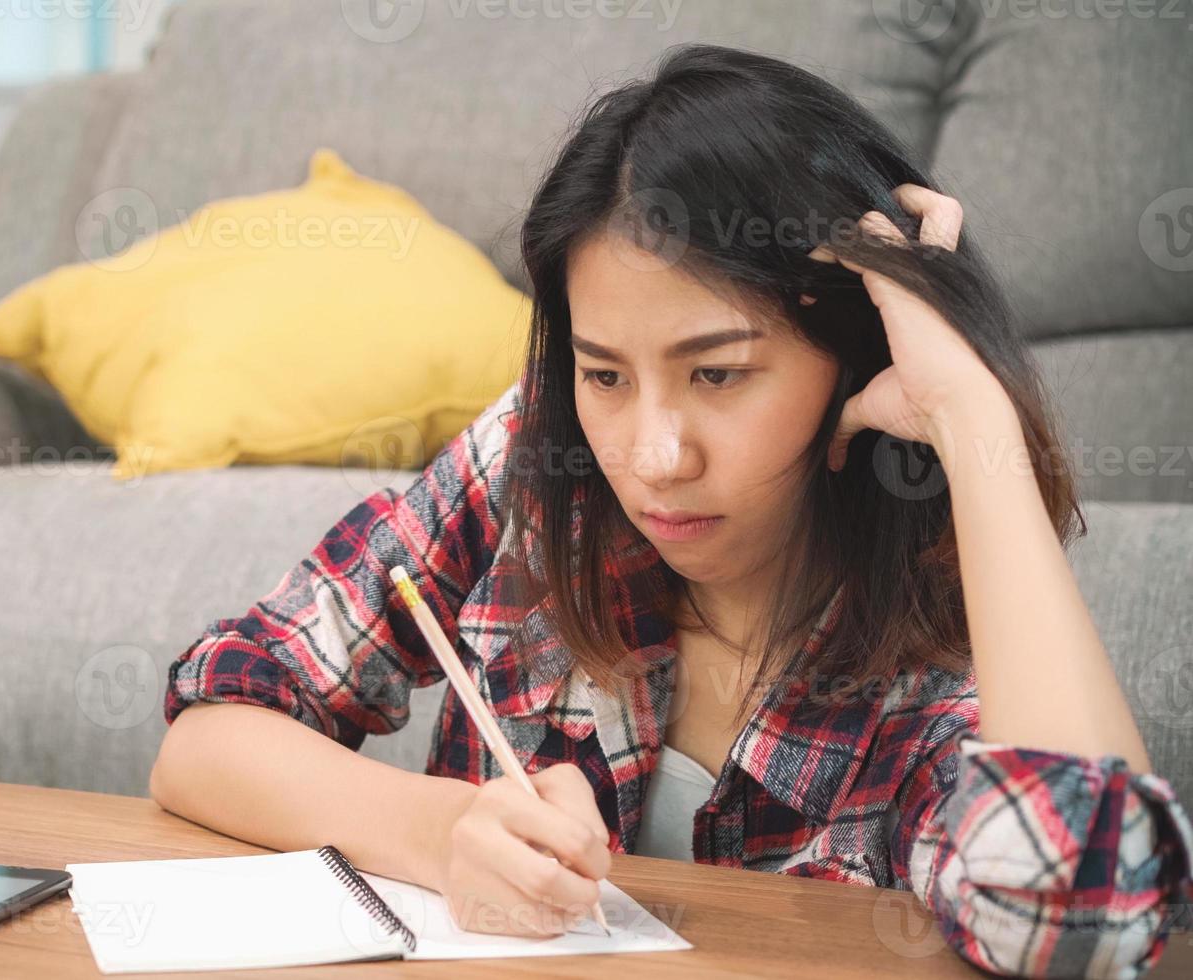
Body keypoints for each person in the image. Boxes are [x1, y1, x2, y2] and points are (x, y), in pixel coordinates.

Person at [149, 44, 1191, 978]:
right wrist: (444, 828)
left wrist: (970, 413)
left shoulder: (951, 641)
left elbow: (1080, 922)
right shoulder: (535, 466)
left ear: (856, 360)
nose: (650, 457)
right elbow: (212, 728)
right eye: (603, 375)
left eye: (720, 374)